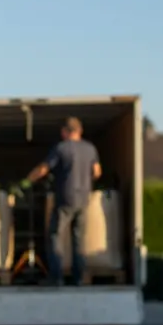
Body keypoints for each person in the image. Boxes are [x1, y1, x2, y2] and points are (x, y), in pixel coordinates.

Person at [25, 117, 101, 286]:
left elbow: (44, 169)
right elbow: (97, 172)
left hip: (65, 199)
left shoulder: (61, 148)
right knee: (78, 239)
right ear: (80, 131)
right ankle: (78, 278)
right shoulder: (90, 149)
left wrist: (29, 179)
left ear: (64, 132)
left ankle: (56, 277)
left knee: (55, 236)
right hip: (83, 200)